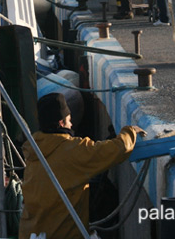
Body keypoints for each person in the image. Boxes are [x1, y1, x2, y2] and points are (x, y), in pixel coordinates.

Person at [19, 93, 144, 239]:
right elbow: (117, 149)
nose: (71, 125)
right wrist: (130, 131)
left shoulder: (34, 152)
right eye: (69, 120)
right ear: (61, 123)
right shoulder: (72, 150)